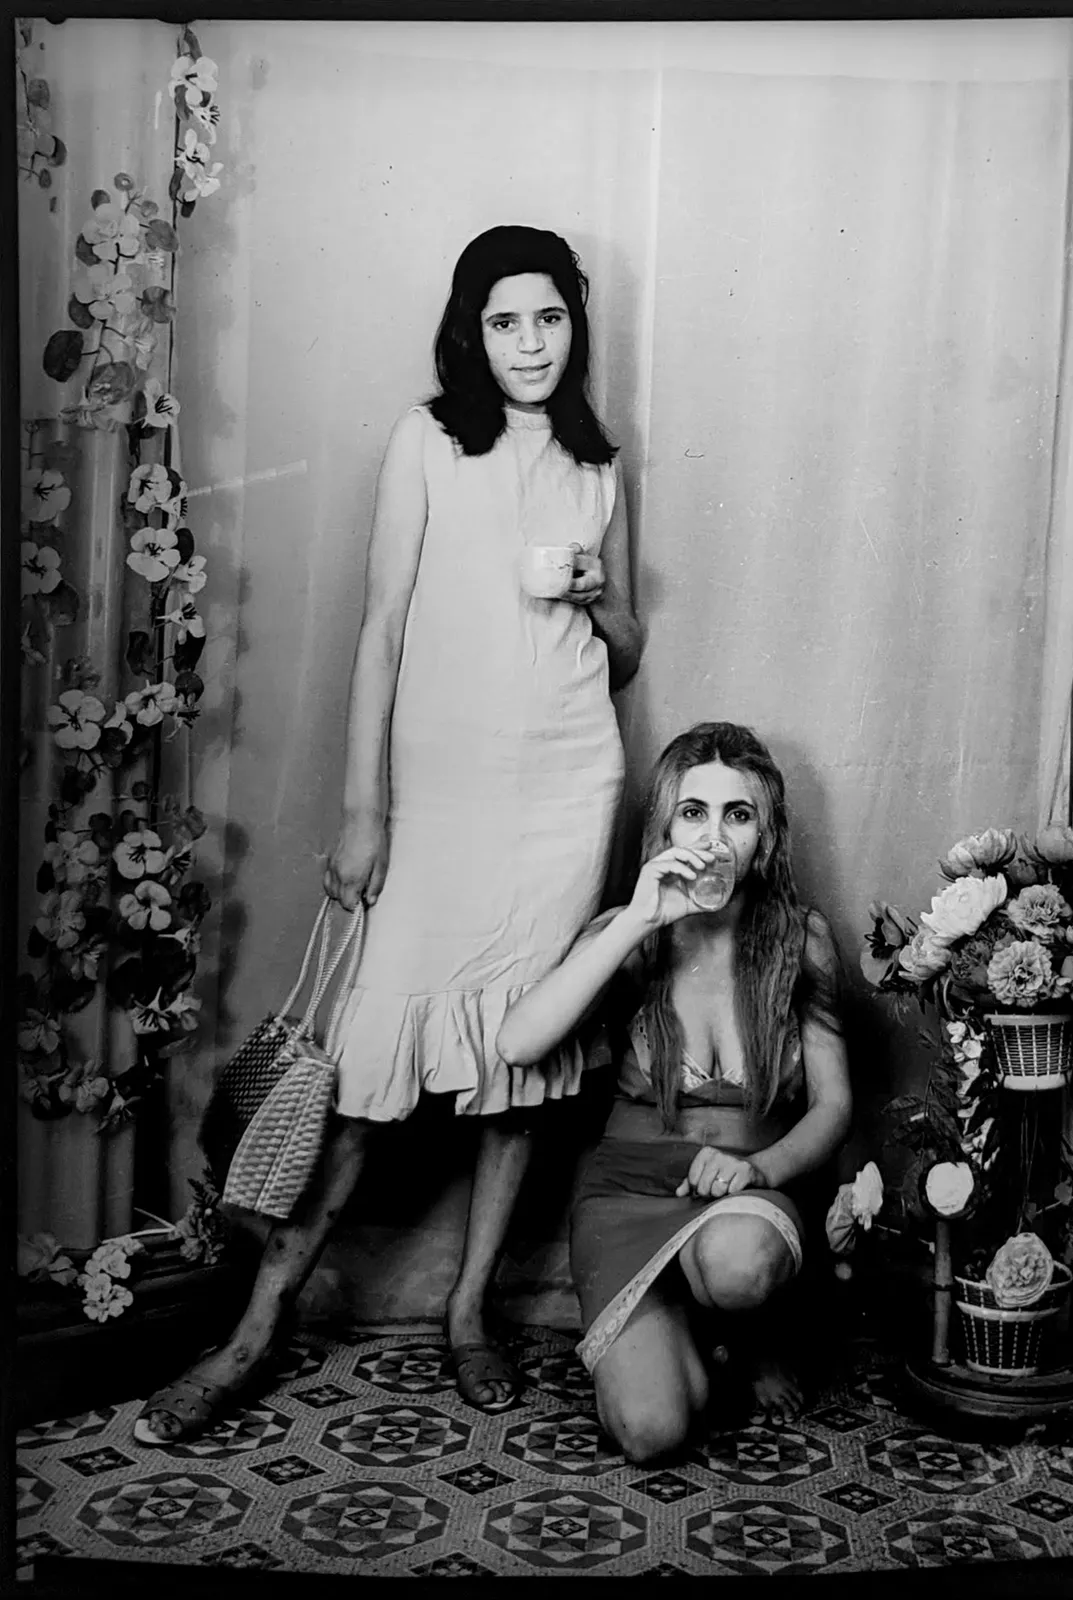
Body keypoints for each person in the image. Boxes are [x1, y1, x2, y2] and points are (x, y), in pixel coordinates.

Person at [135, 225, 642, 1442]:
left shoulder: (598, 462)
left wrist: (592, 597)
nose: (529, 343)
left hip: (568, 782)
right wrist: (364, 811)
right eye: (504, 320)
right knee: (367, 1076)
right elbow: (380, 629)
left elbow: (626, 652)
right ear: (471, 328)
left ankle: (469, 1312)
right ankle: (255, 1329)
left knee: (520, 1064)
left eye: (551, 318)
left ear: (576, 323)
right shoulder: (427, 440)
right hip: (440, 790)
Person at [495, 722, 851, 1464]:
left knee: (739, 1264)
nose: (714, 836)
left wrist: (759, 1171)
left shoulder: (801, 938)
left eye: (738, 814)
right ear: (664, 824)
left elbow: (834, 1106)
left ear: (768, 833)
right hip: (629, 1196)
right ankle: (690, 1337)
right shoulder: (634, 931)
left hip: (747, 1198)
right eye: (694, 812)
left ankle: (746, 1335)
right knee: (652, 1434)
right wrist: (635, 919)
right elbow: (518, 1044)